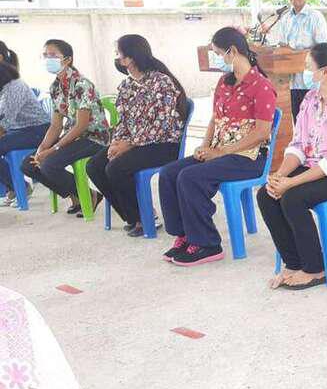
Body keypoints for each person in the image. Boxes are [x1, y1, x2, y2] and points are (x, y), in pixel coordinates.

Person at [158, 27, 276, 266]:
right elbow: (215, 119)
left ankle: (207, 244)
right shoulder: (224, 82)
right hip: (220, 151)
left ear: (232, 51)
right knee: (169, 173)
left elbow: (262, 133)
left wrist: (220, 152)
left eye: (218, 53)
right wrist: (204, 147)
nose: (216, 59)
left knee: (190, 177)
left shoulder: (261, 86)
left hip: (248, 157)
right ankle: (185, 235)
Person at [257, 43, 327, 290]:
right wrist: (280, 176)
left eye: (309, 67)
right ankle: (293, 263)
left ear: (325, 72)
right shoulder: (310, 99)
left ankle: (315, 268)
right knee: (267, 194)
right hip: (314, 168)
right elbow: (298, 144)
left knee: (292, 198)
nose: (305, 72)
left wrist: (291, 183)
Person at [86, 34, 188, 237]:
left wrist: (129, 145)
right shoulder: (127, 85)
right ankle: (133, 216)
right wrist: (116, 143)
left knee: (116, 168)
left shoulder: (161, 82)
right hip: (136, 142)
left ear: (130, 57)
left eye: (119, 53)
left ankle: (146, 217)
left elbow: (162, 124)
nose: (116, 58)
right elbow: (123, 120)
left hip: (163, 144)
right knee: (95, 166)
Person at [21, 39, 109, 216]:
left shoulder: (82, 84)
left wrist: (53, 149)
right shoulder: (55, 87)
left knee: (49, 164)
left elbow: (81, 125)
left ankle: (88, 195)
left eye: (53, 55)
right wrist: (42, 148)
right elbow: (56, 125)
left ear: (67, 59)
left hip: (93, 137)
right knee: (29, 164)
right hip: (72, 136)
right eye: (45, 55)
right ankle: (75, 195)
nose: (48, 59)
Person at [263, 0, 327, 119]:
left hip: (310, 81)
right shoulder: (285, 18)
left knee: (313, 122)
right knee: (297, 122)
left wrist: (295, 53)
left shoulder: (315, 17)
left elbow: (323, 49)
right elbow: (282, 46)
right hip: (291, 82)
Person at [0, 63, 50, 207]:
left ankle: (20, 187)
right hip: (20, 130)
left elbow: (3, 125)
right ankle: (13, 187)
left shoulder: (14, 88)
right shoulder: (5, 89)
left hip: (37, 131)